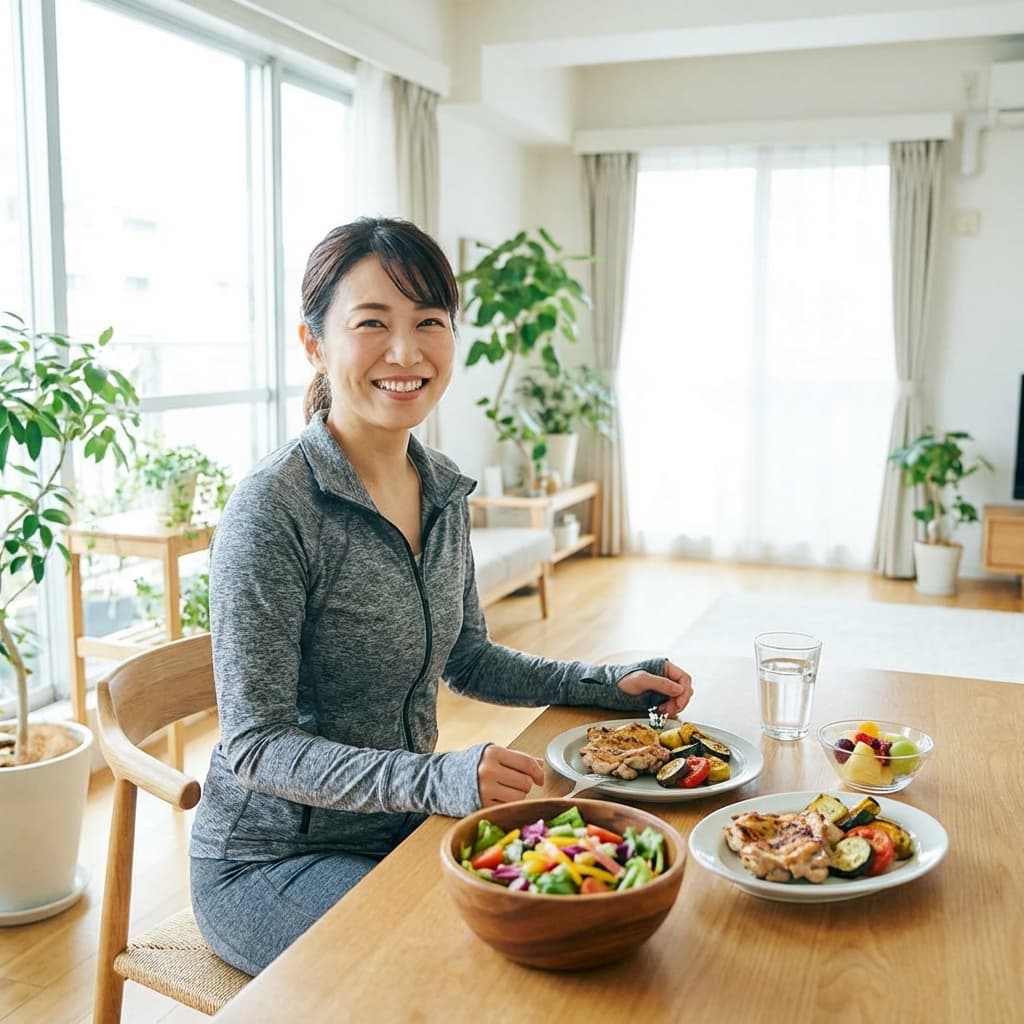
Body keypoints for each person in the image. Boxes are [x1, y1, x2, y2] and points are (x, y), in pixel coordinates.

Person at [189, 216, 693, 975]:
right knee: (463, 966)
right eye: (371, 323)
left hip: (399, 823)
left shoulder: (441, 488)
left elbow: (467, 659)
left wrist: (603, 684)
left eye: (429, 321)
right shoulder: (273, 509)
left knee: (568, 901)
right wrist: (438, 778)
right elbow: (255, 743)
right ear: (314, 343)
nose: (406, 351)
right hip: (272, 860)